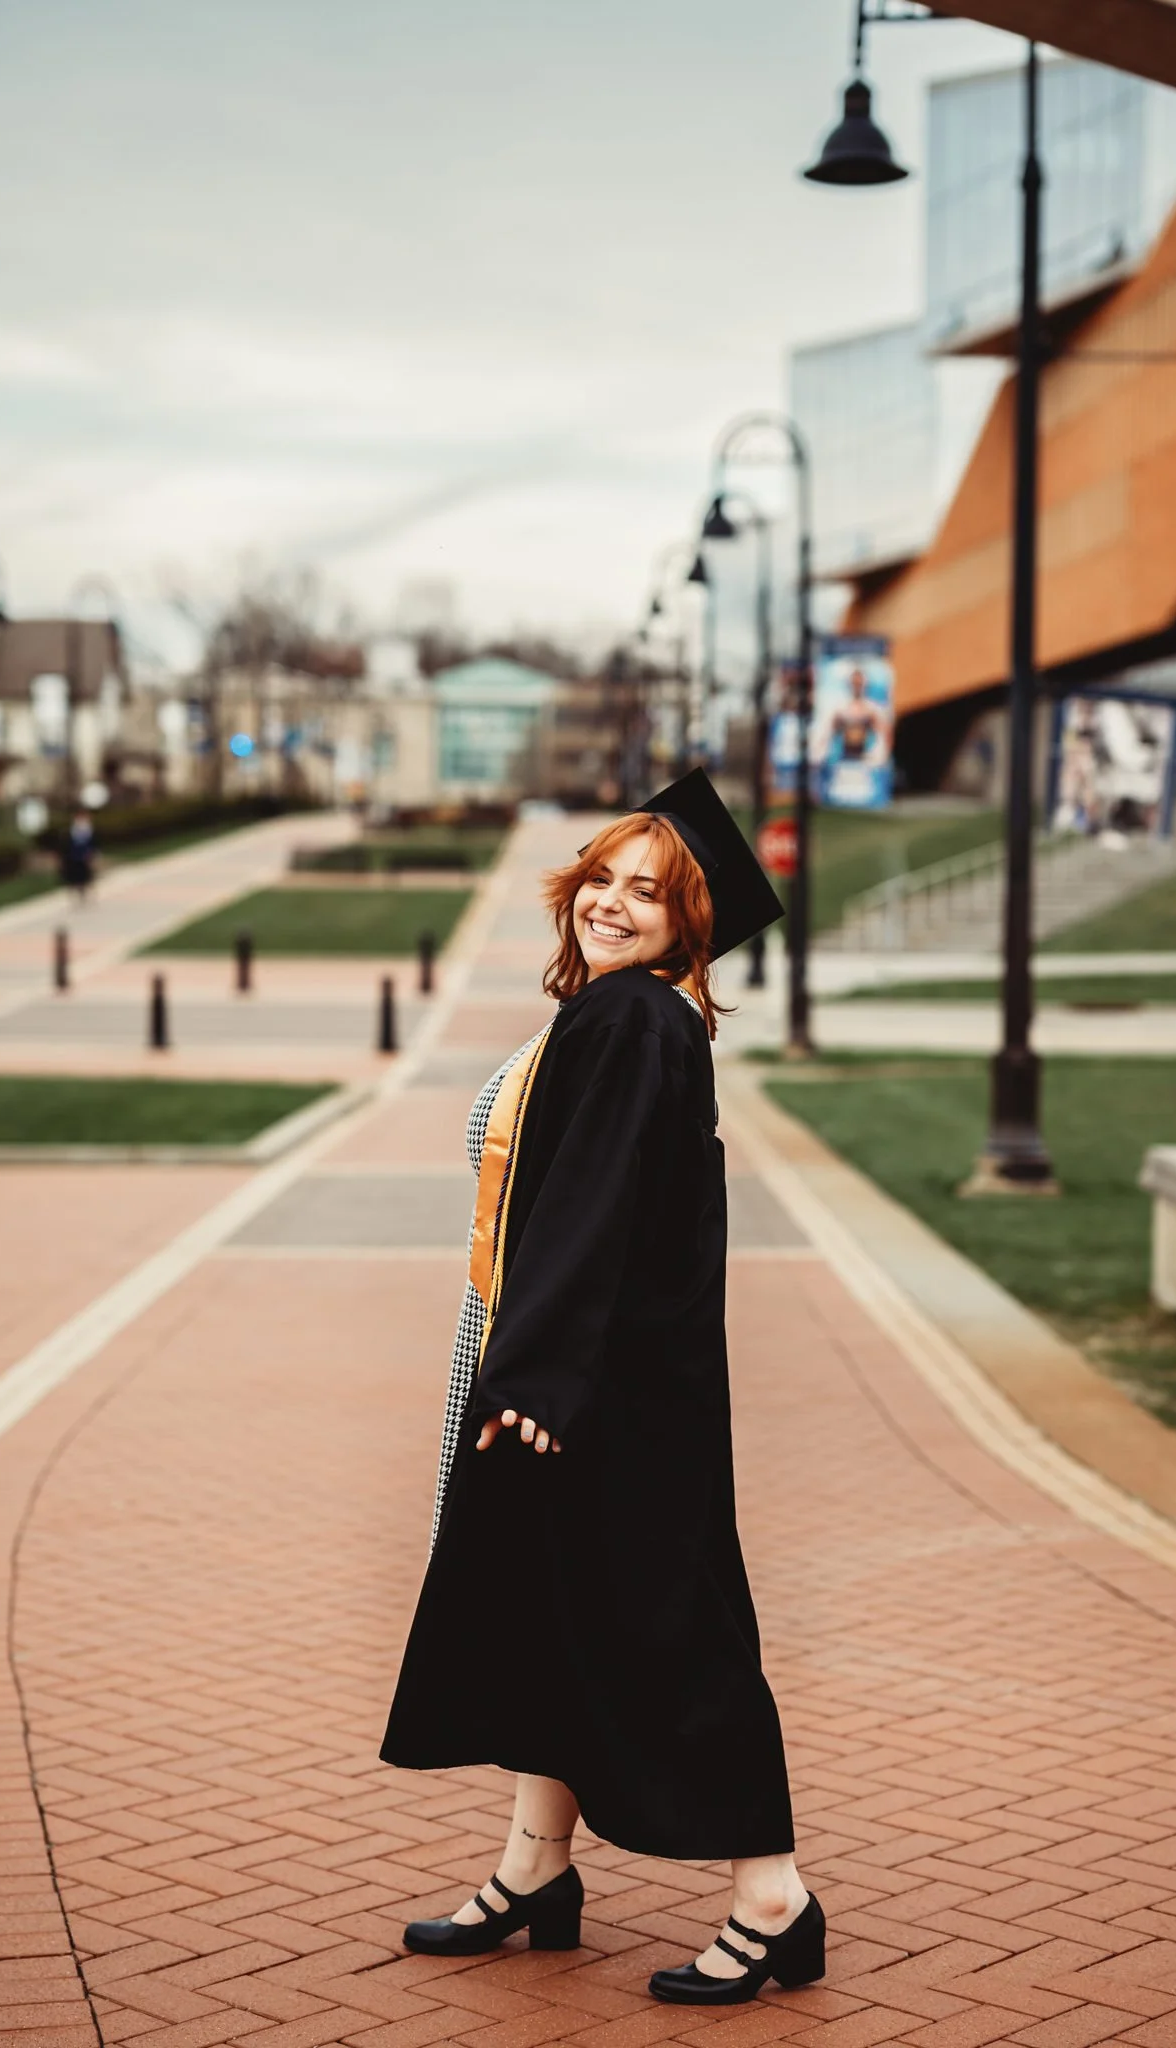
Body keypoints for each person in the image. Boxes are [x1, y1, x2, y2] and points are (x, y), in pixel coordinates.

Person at [381, 769, 824, 2008]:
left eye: (650, 892)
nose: (612, 904)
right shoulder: (622, 1013)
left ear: (694, 924)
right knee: (549, 1616)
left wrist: (533, 1374)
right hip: (587, 1381)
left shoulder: (634, 1021)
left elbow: (593, 1212)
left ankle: (775, 1898)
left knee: (670, 1638)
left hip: (602, 1398)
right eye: (604, 879)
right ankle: (536, 1867)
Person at [60, 808, 97, 902]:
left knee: (86, 874)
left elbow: (93, 843)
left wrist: (91, 853)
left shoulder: (88, 829)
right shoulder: (72, 830)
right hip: (74, 855)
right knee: (76, 875)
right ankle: (77, 890)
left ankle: (85, 891)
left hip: (85, 854)